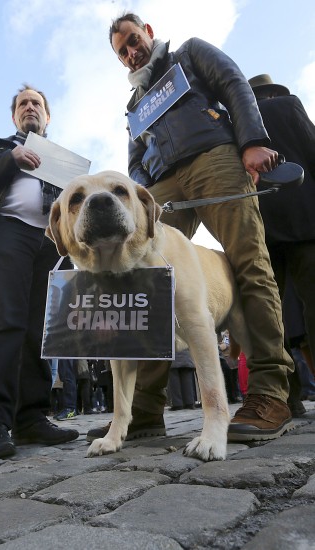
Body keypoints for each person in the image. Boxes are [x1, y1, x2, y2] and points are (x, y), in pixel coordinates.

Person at [87, 13, 294, 444]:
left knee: (248, 262)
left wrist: (252, 140)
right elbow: (134, 163)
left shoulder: (191, 53)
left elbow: (234, 83)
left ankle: (271, 392)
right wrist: (135, 203)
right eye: (121, 51)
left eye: (132, 40)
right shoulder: (134, 104)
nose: (130, 52)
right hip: (161, 184)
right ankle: (144, 410)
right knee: (143, 287)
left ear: (147, 30)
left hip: (213, 156)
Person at [0, 84, 79, 458]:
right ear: (14, 116)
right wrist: (11, 158)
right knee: (5, 322)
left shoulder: (62, 159)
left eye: (36, 103)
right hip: (6, 232)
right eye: (23, 103)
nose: (30, 107)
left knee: (39, 331)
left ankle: (31, 418)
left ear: (47, 116)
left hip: (50, 245)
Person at [249, 74, 315, 414]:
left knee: (271, 312)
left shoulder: (242, 123)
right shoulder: (289, 106)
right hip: (306, 218)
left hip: (264, 226)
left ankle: (286, 396)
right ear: (275, 91)